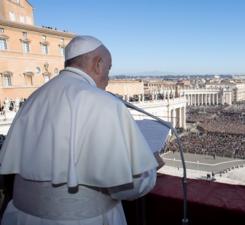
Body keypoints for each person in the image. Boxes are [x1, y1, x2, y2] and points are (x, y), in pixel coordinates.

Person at [0, 35, 164, 225]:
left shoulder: (33, 99)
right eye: (108, 69)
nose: (108, 78)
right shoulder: (105, 103)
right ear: (98, 64)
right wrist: (149, 168)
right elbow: (128, 187)